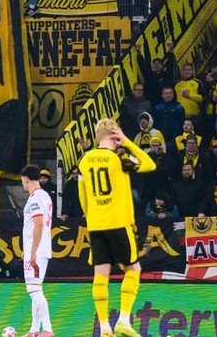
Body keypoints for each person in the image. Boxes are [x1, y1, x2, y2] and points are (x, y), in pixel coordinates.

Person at [78, 118, 156, 337]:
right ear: (115, 135)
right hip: (118, 223)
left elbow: (82, 197)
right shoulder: (120, 158)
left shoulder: (84, 160)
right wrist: (128, 143)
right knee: (133, 269)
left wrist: (91, 216)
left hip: (96, 224)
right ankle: (123, 321)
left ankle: (104, 328)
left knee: (100, 275)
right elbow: (150, 164)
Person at [20, 165, 54, 337]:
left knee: (34, 290)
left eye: (22, 181)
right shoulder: (45, 196)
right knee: (35, 289)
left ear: (26, 179)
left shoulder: (34, 199)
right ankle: (34, 330)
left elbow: (39, 224)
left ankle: (47, 329)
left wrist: (32, 252)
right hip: (42, 248)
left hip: (37, 250)